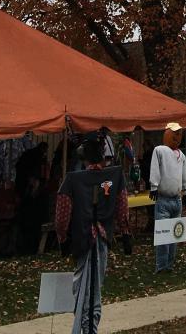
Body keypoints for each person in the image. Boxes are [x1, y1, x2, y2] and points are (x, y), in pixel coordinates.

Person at [55, 134, 129, 334]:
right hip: (102, 238)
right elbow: (123, 206)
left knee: (85, 290)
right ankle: (88, 328)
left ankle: (88, 329)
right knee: (92, 289)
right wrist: (125, 232)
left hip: (83, 238)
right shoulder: (114, 176)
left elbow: (62, 214)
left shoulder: (72, 180)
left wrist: (62, 238)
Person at [148, 123, 186, 275]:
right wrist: (154, 186)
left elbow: (184, 174)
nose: (177, 137)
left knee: (174, 235)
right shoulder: (159, 150)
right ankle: (161, 266)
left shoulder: (182, 156)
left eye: (179, 134)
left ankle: (169, 265)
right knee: (163, 235)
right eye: (175, 133)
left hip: (177, 200)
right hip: (163, 199)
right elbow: (155, 168)